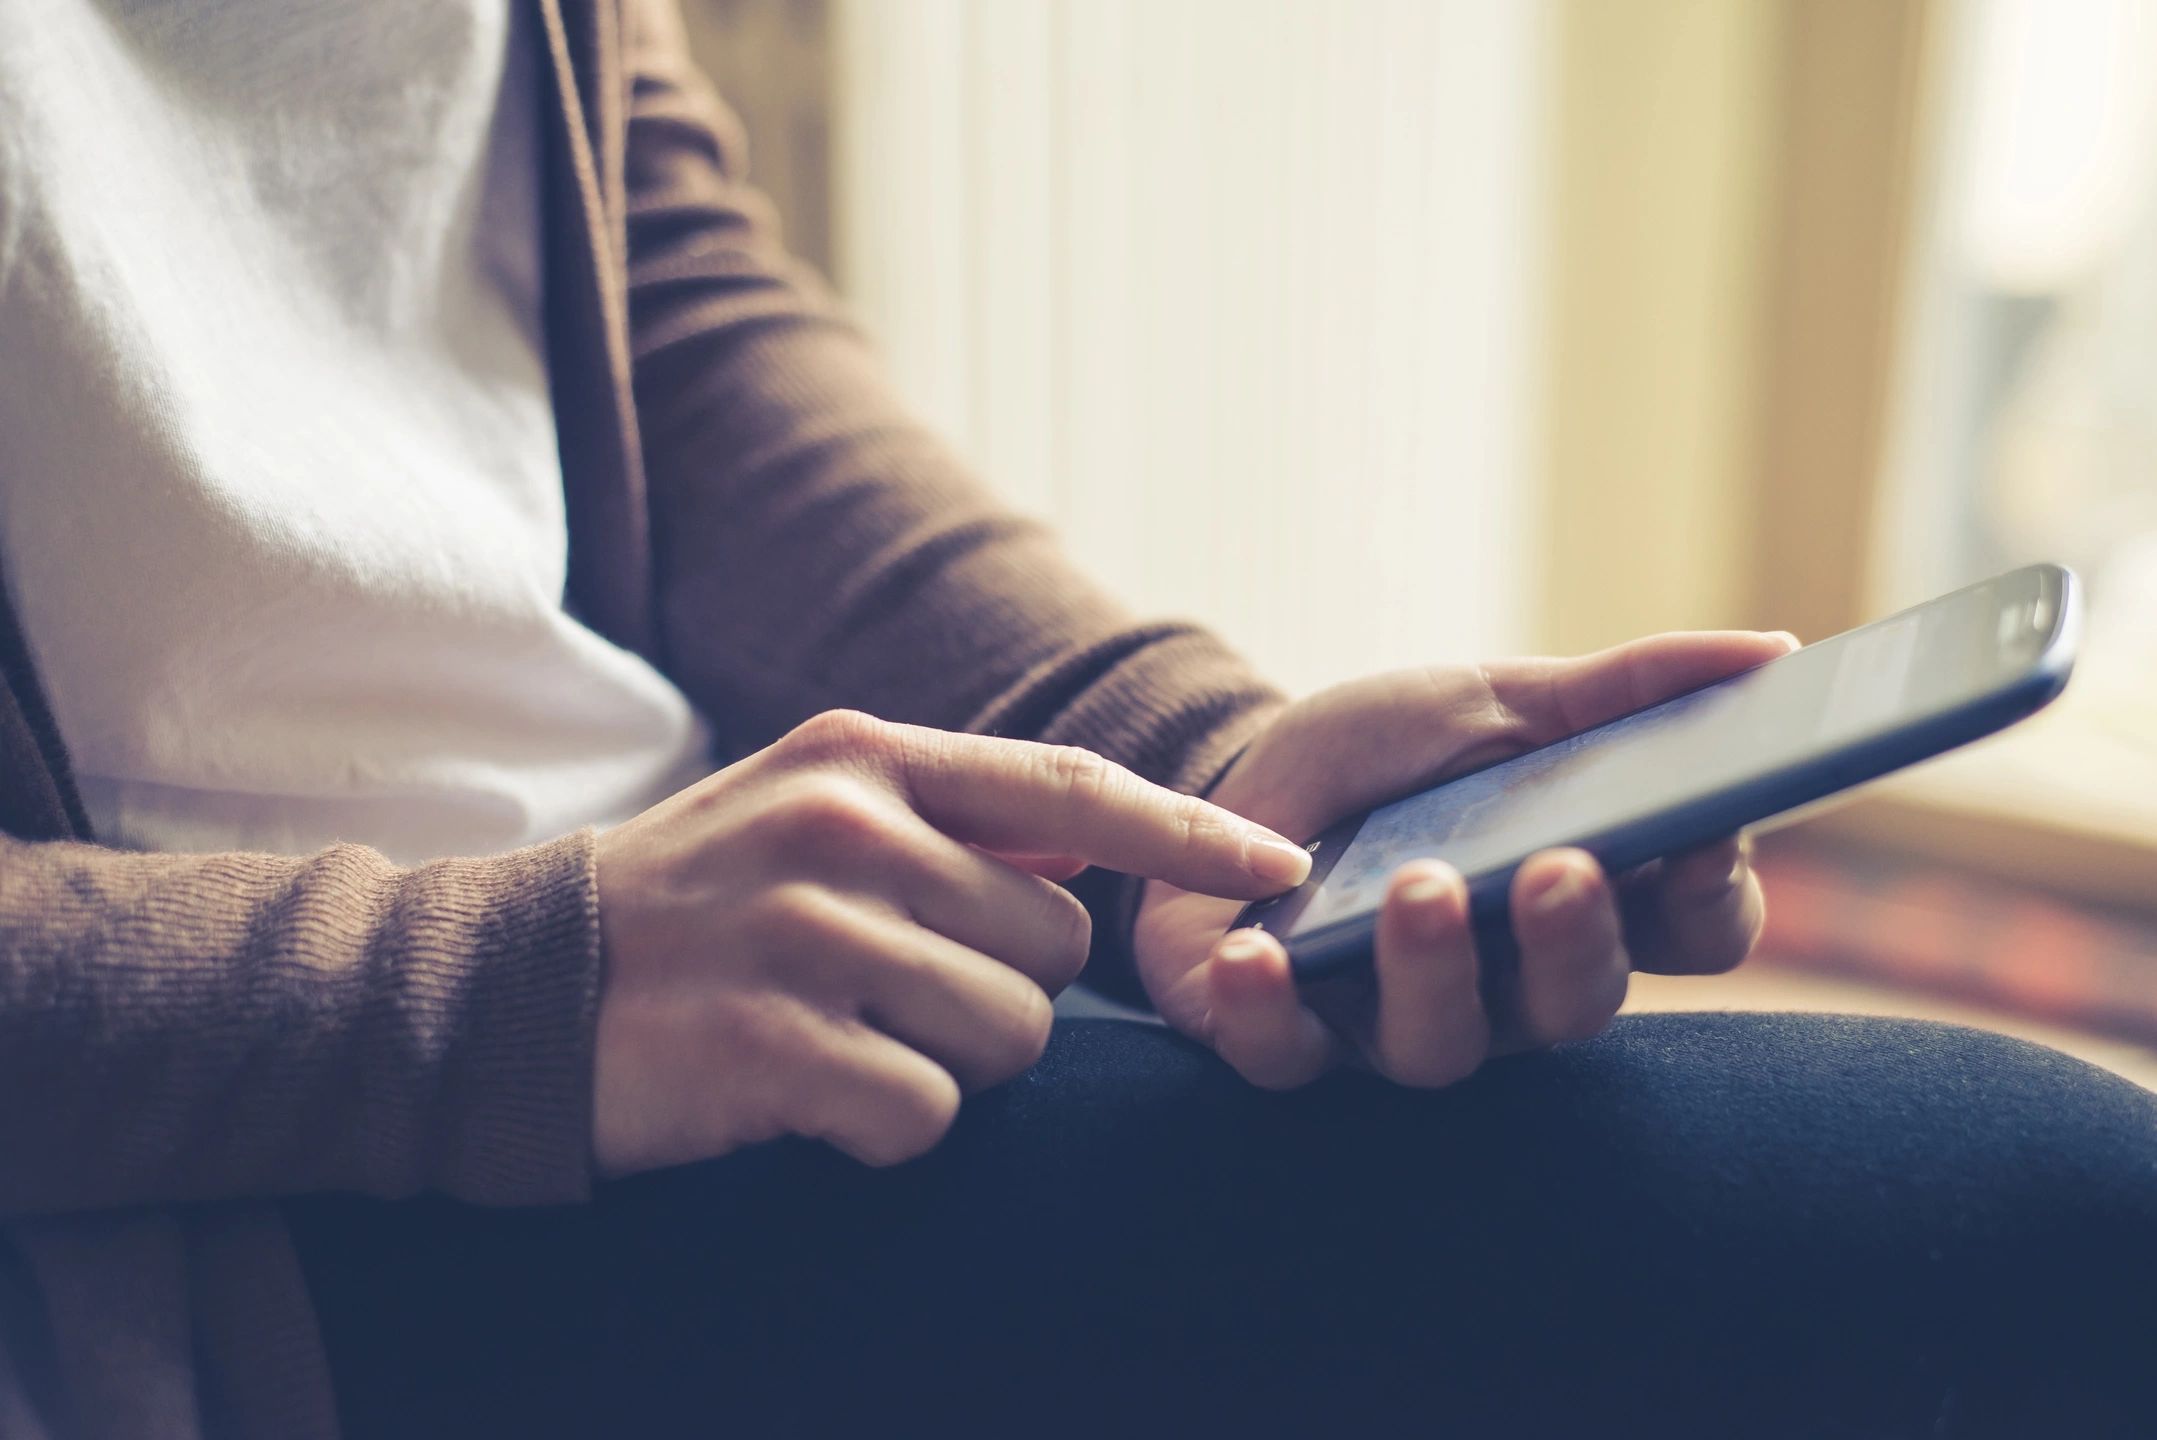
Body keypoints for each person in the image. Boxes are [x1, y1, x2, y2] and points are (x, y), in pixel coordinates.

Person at [0, 1, 2150, 1436]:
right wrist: (480, 995)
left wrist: (1171, 758)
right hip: (226, 1191)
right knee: (2030, 1221)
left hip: (706, 967)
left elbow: (637, 281)